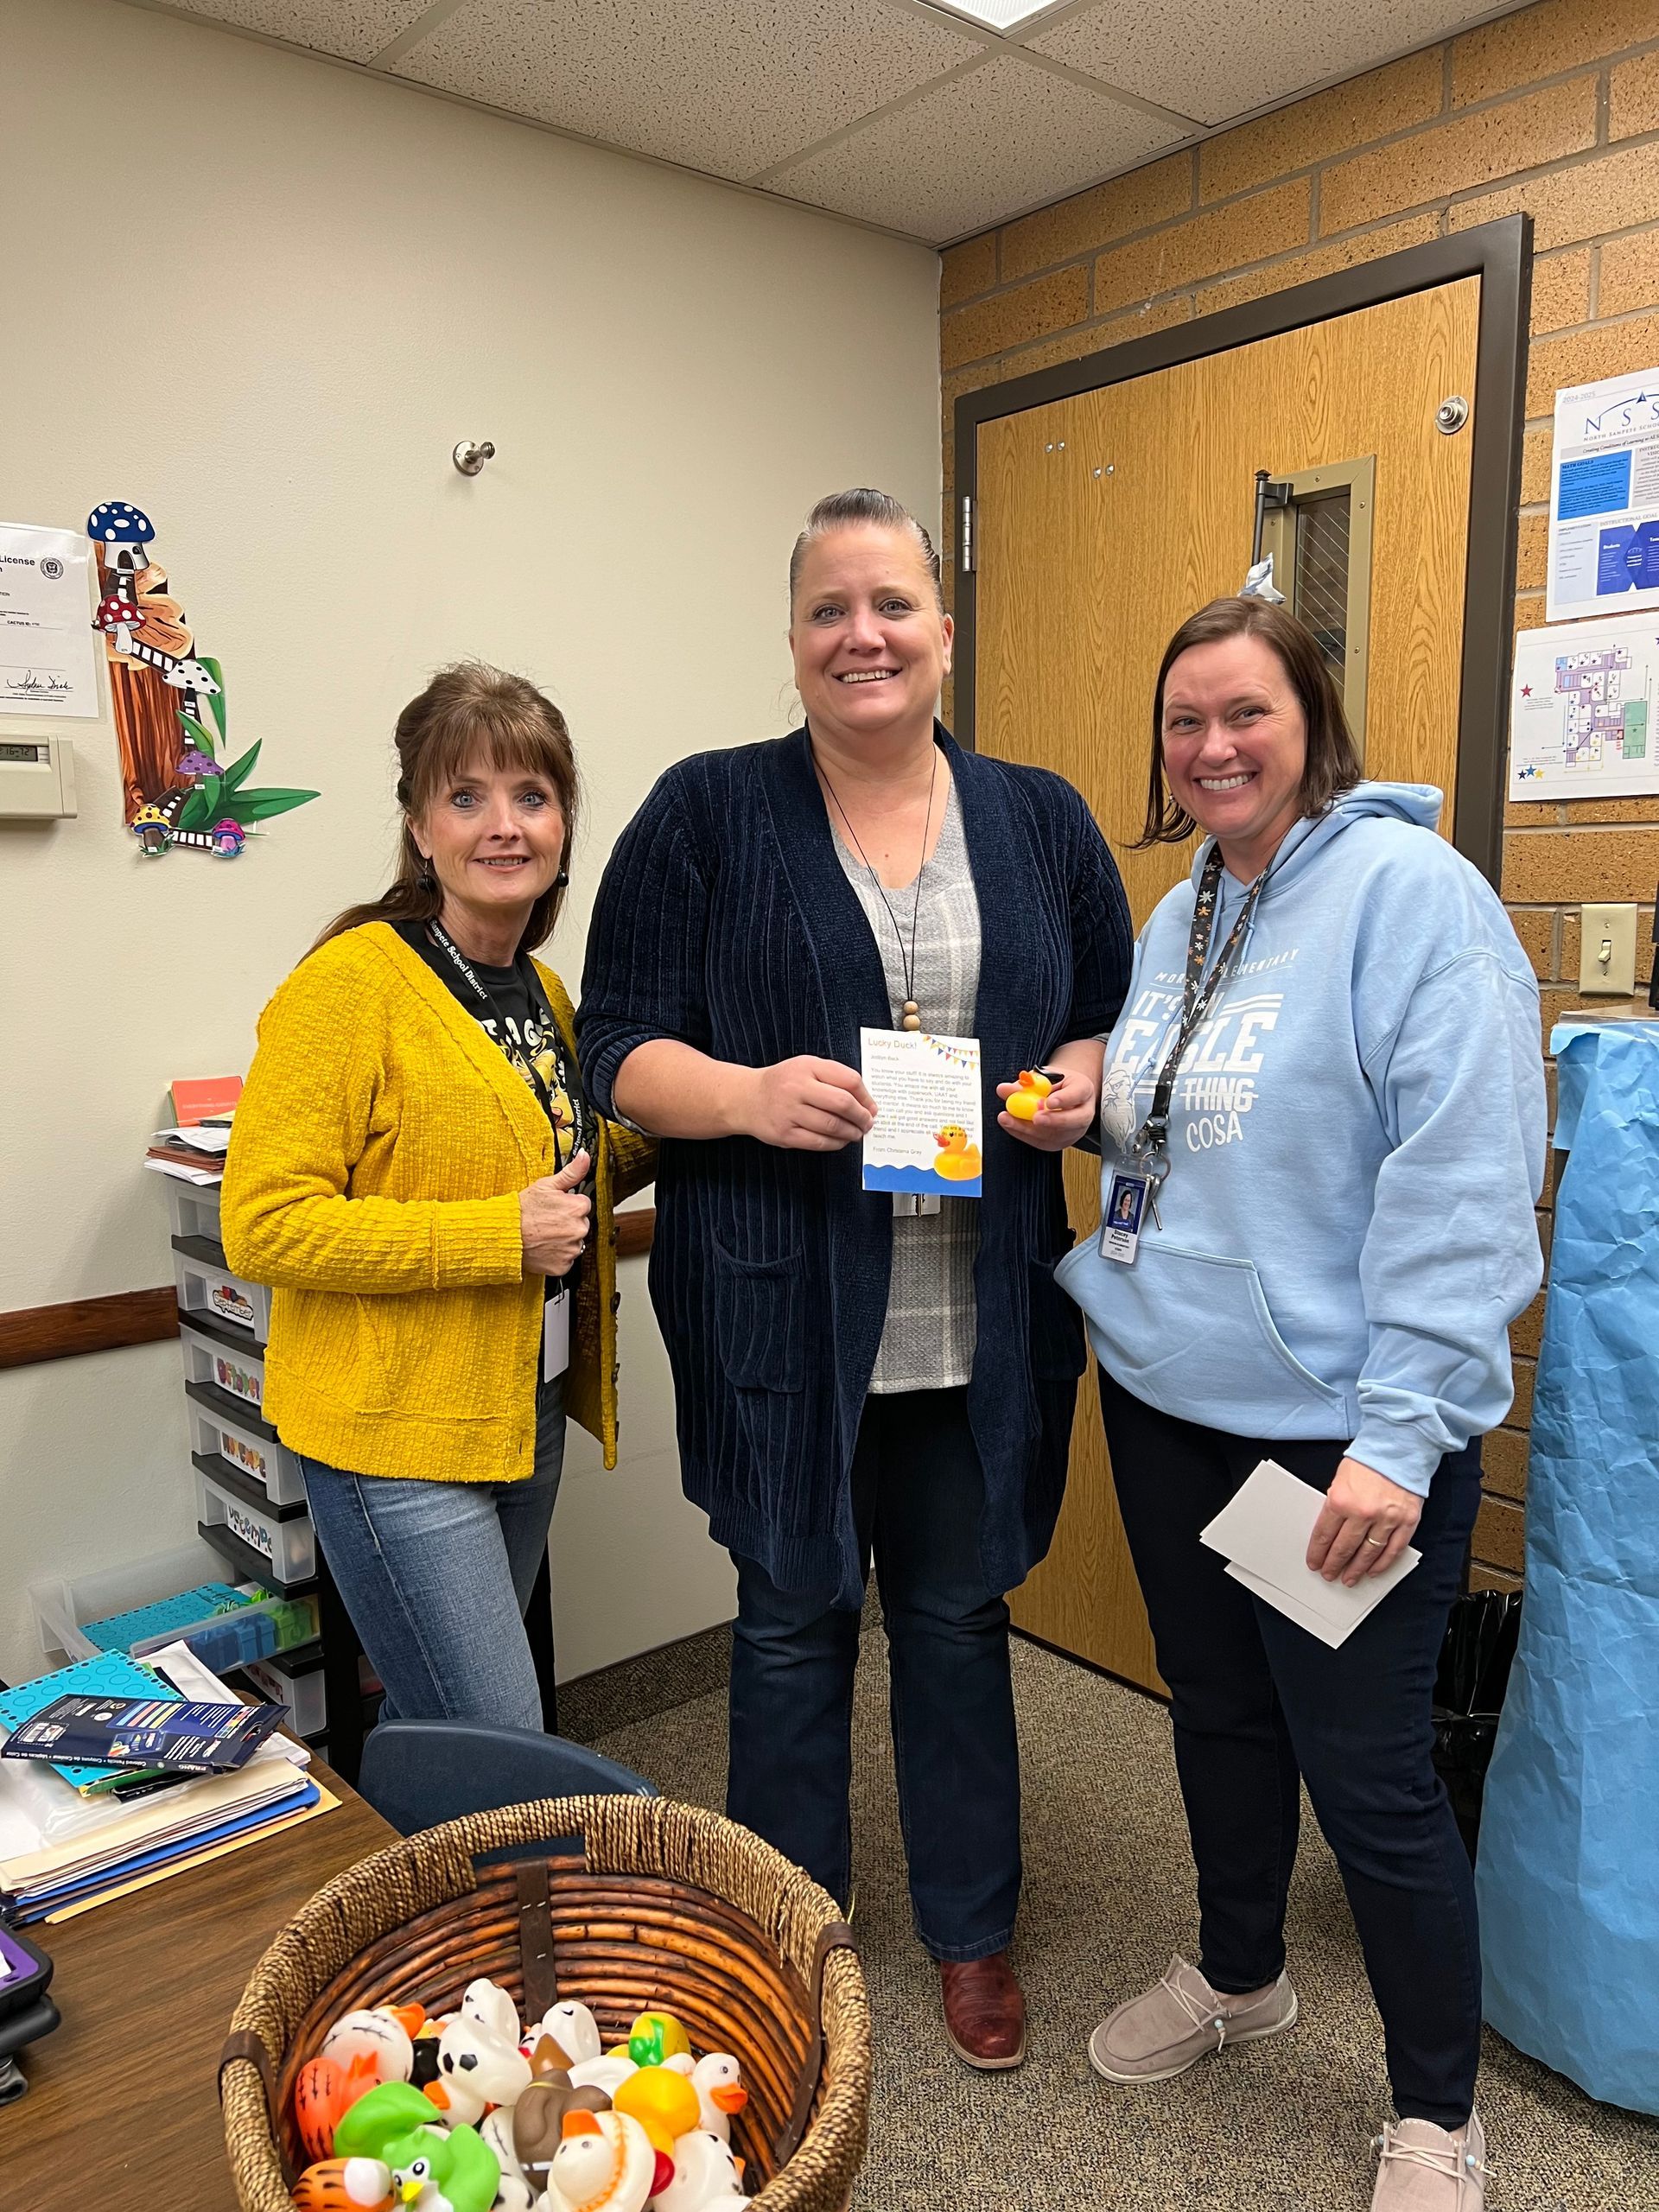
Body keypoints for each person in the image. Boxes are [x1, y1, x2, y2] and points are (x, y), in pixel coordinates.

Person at [577, 488, 1131, 2067]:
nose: (862, 635)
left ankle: (972, 1934)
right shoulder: (707, 812)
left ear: (945, 634)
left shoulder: (1039, 818)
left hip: (981, 1318)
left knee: (958, 1623)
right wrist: (748, 1096)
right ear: (795, 640)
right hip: (783, 1315)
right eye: (830, 610)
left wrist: (1080, 1081)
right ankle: (789, 1927)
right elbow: (615, 1045)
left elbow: (1108, 1010)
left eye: (893, 605)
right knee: (790, 1621)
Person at [1057, 599, 1544, 2209]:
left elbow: (1464, 1195)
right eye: (1184, 723)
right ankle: (1240, 1974)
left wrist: (1401, 1443)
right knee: (1220, 1718)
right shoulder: (1183, 907)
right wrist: (1098, 1105)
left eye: (1243, 715)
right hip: (1166, 1401)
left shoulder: (1417, 901)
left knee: (1373, 1777)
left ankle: (1437, 2115)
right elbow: (1184, 1135)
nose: (1211, 749)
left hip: (1334, 1439)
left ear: (1310, 721)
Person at [221, 664, 654, 1732]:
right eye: (467, 797)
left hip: (521, 1419)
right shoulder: (351, 983)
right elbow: (263, 1221)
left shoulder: (544, 991)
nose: (503, 826)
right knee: (502, 1745)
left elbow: (572, 1164)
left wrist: (708, 1099)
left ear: (563, 824)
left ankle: (434, 1896)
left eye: (532, 797)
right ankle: (491, 1898)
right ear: (420, 827)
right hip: (393, 1440)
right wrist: (493, 1234)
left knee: (452, 1732)